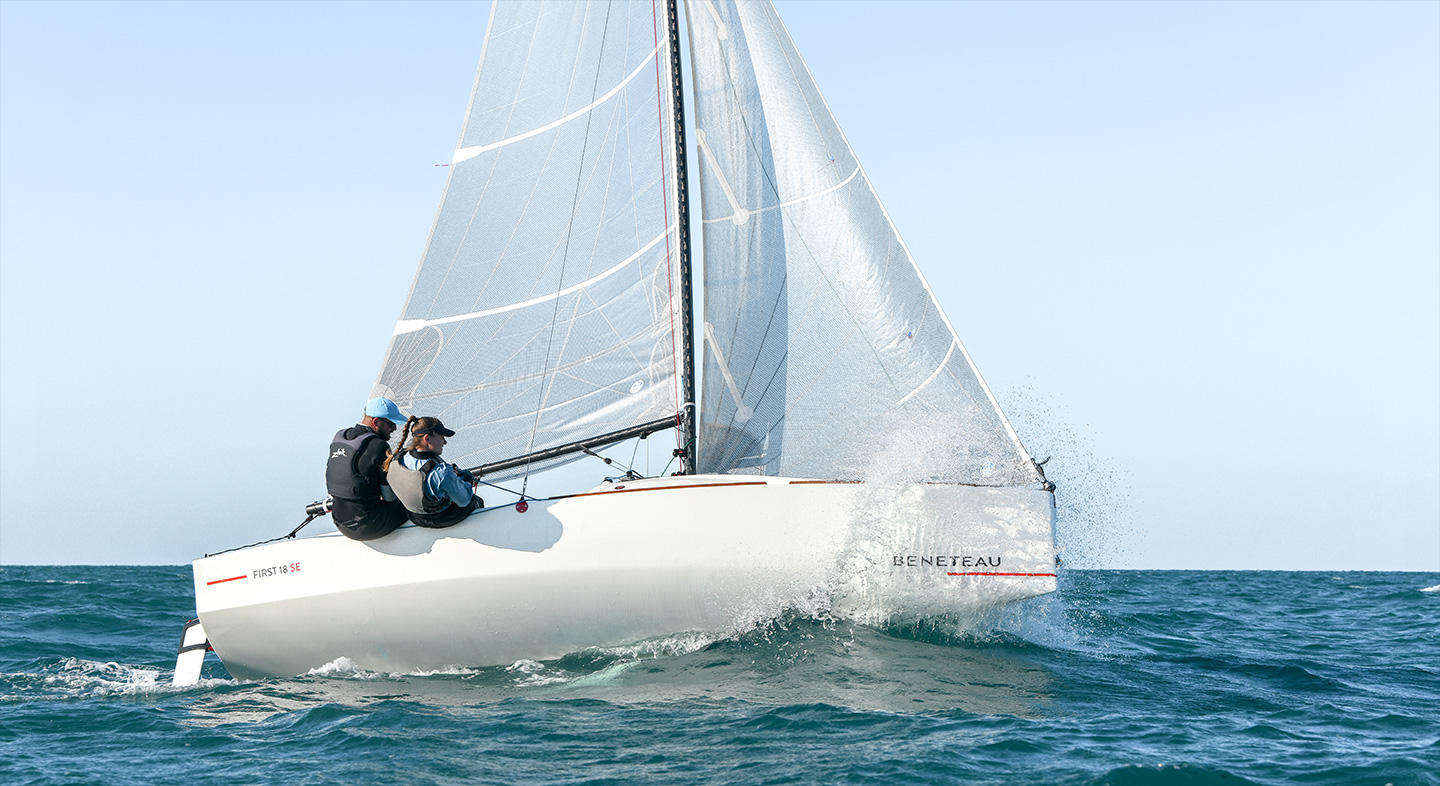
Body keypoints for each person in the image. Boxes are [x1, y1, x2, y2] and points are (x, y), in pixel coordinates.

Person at [325, 396, 410, 541]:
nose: (394, 428)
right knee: (414, 506)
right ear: (376, 422)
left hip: (339, 520)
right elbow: (389, 497)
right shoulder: (379, 446)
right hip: (366, 526)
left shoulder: (340, 436)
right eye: (391, 424)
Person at [384, 416, 484, 528]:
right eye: (442, 437)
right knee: (476, 501)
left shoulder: (397, 460)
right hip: (440, 519)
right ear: (427, 439)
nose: (445, 442)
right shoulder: (442, 473)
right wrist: (467, 481)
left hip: (415, 517)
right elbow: (464, 500)